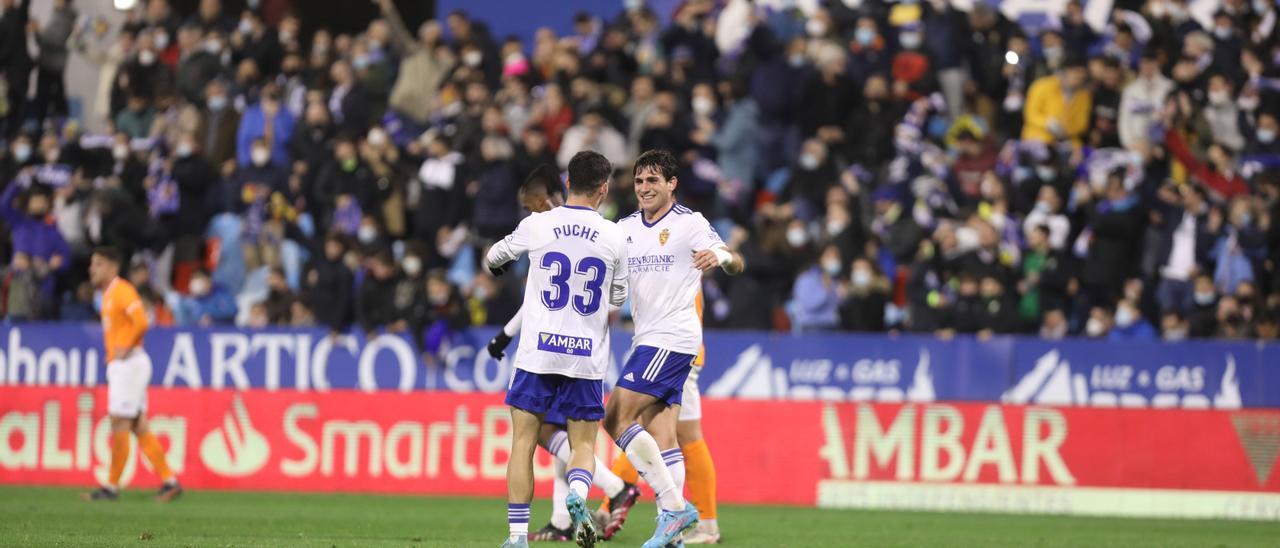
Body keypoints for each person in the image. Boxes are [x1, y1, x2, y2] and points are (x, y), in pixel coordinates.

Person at [487, 164, 641, 542]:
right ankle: (576, 497)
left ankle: (518, 536)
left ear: (568, 182)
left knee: (524, 442)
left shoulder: (538, 224)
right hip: (585, 356)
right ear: (603, 189)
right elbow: (619, 298)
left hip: (538, 352)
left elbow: (493, 257)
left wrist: (502, 264)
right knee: (583, 443)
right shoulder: (614, 234)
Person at [604, 149, 743, 548]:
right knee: (665, 434)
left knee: (616, 416)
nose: (644, 188)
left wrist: (718, 255)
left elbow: (734, 260)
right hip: (646, 337)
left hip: (674, 337)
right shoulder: (625, 227)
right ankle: (674, 532)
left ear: (672, 184)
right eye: (639, 181)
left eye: (653, 181)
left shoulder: (689, 223)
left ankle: (674, 507)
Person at [81, 247, 183, 502]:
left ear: (113, 267)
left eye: (98, 264)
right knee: (138, 426)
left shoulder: (122, 290)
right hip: (126, 365)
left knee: (120, 423)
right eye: (92, 264)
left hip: (129, 364)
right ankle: (169, 481)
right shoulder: (107, 295)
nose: (92, 269)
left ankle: (111, 487)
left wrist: (125, 344)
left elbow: (141, 320)